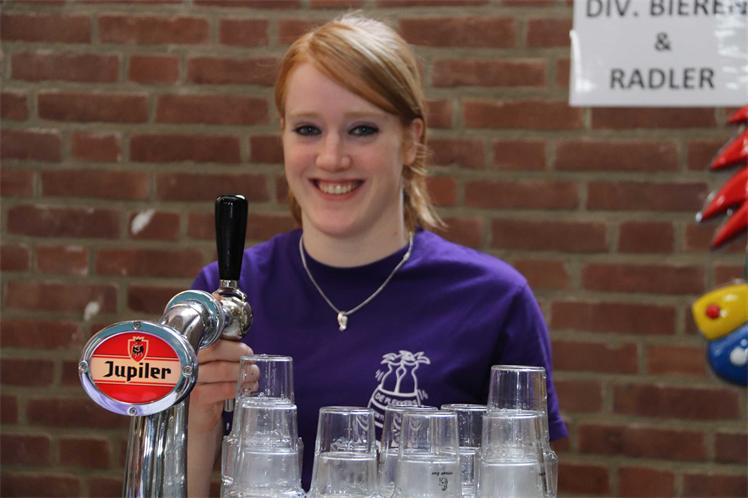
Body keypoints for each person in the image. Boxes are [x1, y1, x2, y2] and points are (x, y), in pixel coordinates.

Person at [187, 13, 567, 496]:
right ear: (282, 134)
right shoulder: (224, 297)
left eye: (362, 129)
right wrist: (196, 416)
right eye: (307, 129)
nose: (331, 157)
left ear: (411, 140)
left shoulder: (494, 299)